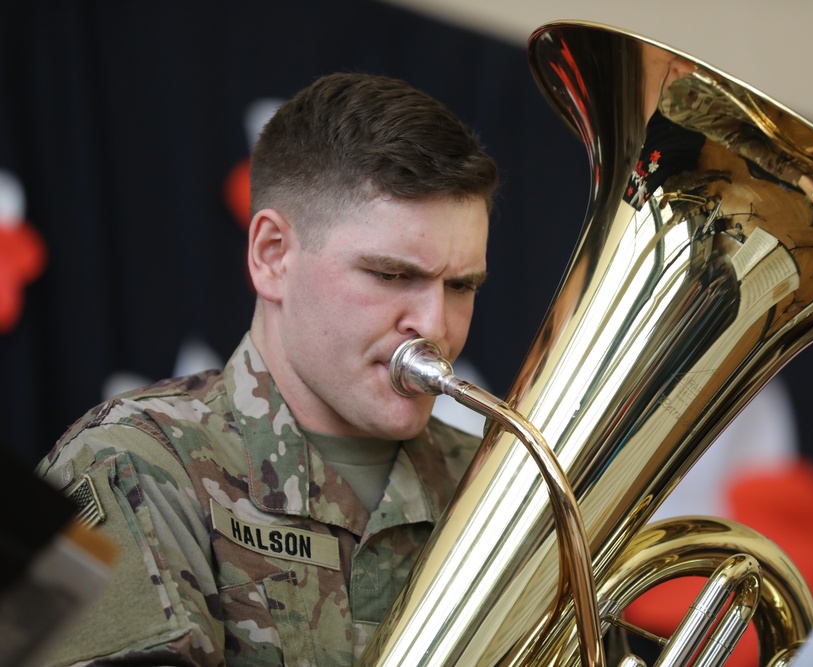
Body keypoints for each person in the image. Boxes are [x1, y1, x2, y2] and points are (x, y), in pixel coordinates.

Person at [36, 72, 500, 666]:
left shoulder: (499, 486)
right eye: (391, 275)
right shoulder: (125, 462)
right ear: (273, 255)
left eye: (461, 285)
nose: (435, 325)